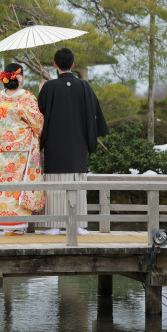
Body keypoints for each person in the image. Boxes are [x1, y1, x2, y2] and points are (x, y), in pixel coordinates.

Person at [37, 48, 108, 235]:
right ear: (73, 64)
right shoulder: (84, 86)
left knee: (54, 183)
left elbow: (38, 118)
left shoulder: (49, 87)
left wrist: (41, 92)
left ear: (55, 65)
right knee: (77, 182)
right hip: (78, 143)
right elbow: (95, 114)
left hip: (54, 143)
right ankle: (77, 224)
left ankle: (53, 226)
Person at [0, 63, 45, 235]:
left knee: (3, 186)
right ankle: (17, 226)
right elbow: (38, 122)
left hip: (2, 150)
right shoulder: (27, 97)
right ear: (20, 77)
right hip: (22, 151)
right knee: (19, 186)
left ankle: (6, 225)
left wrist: (1, 137)